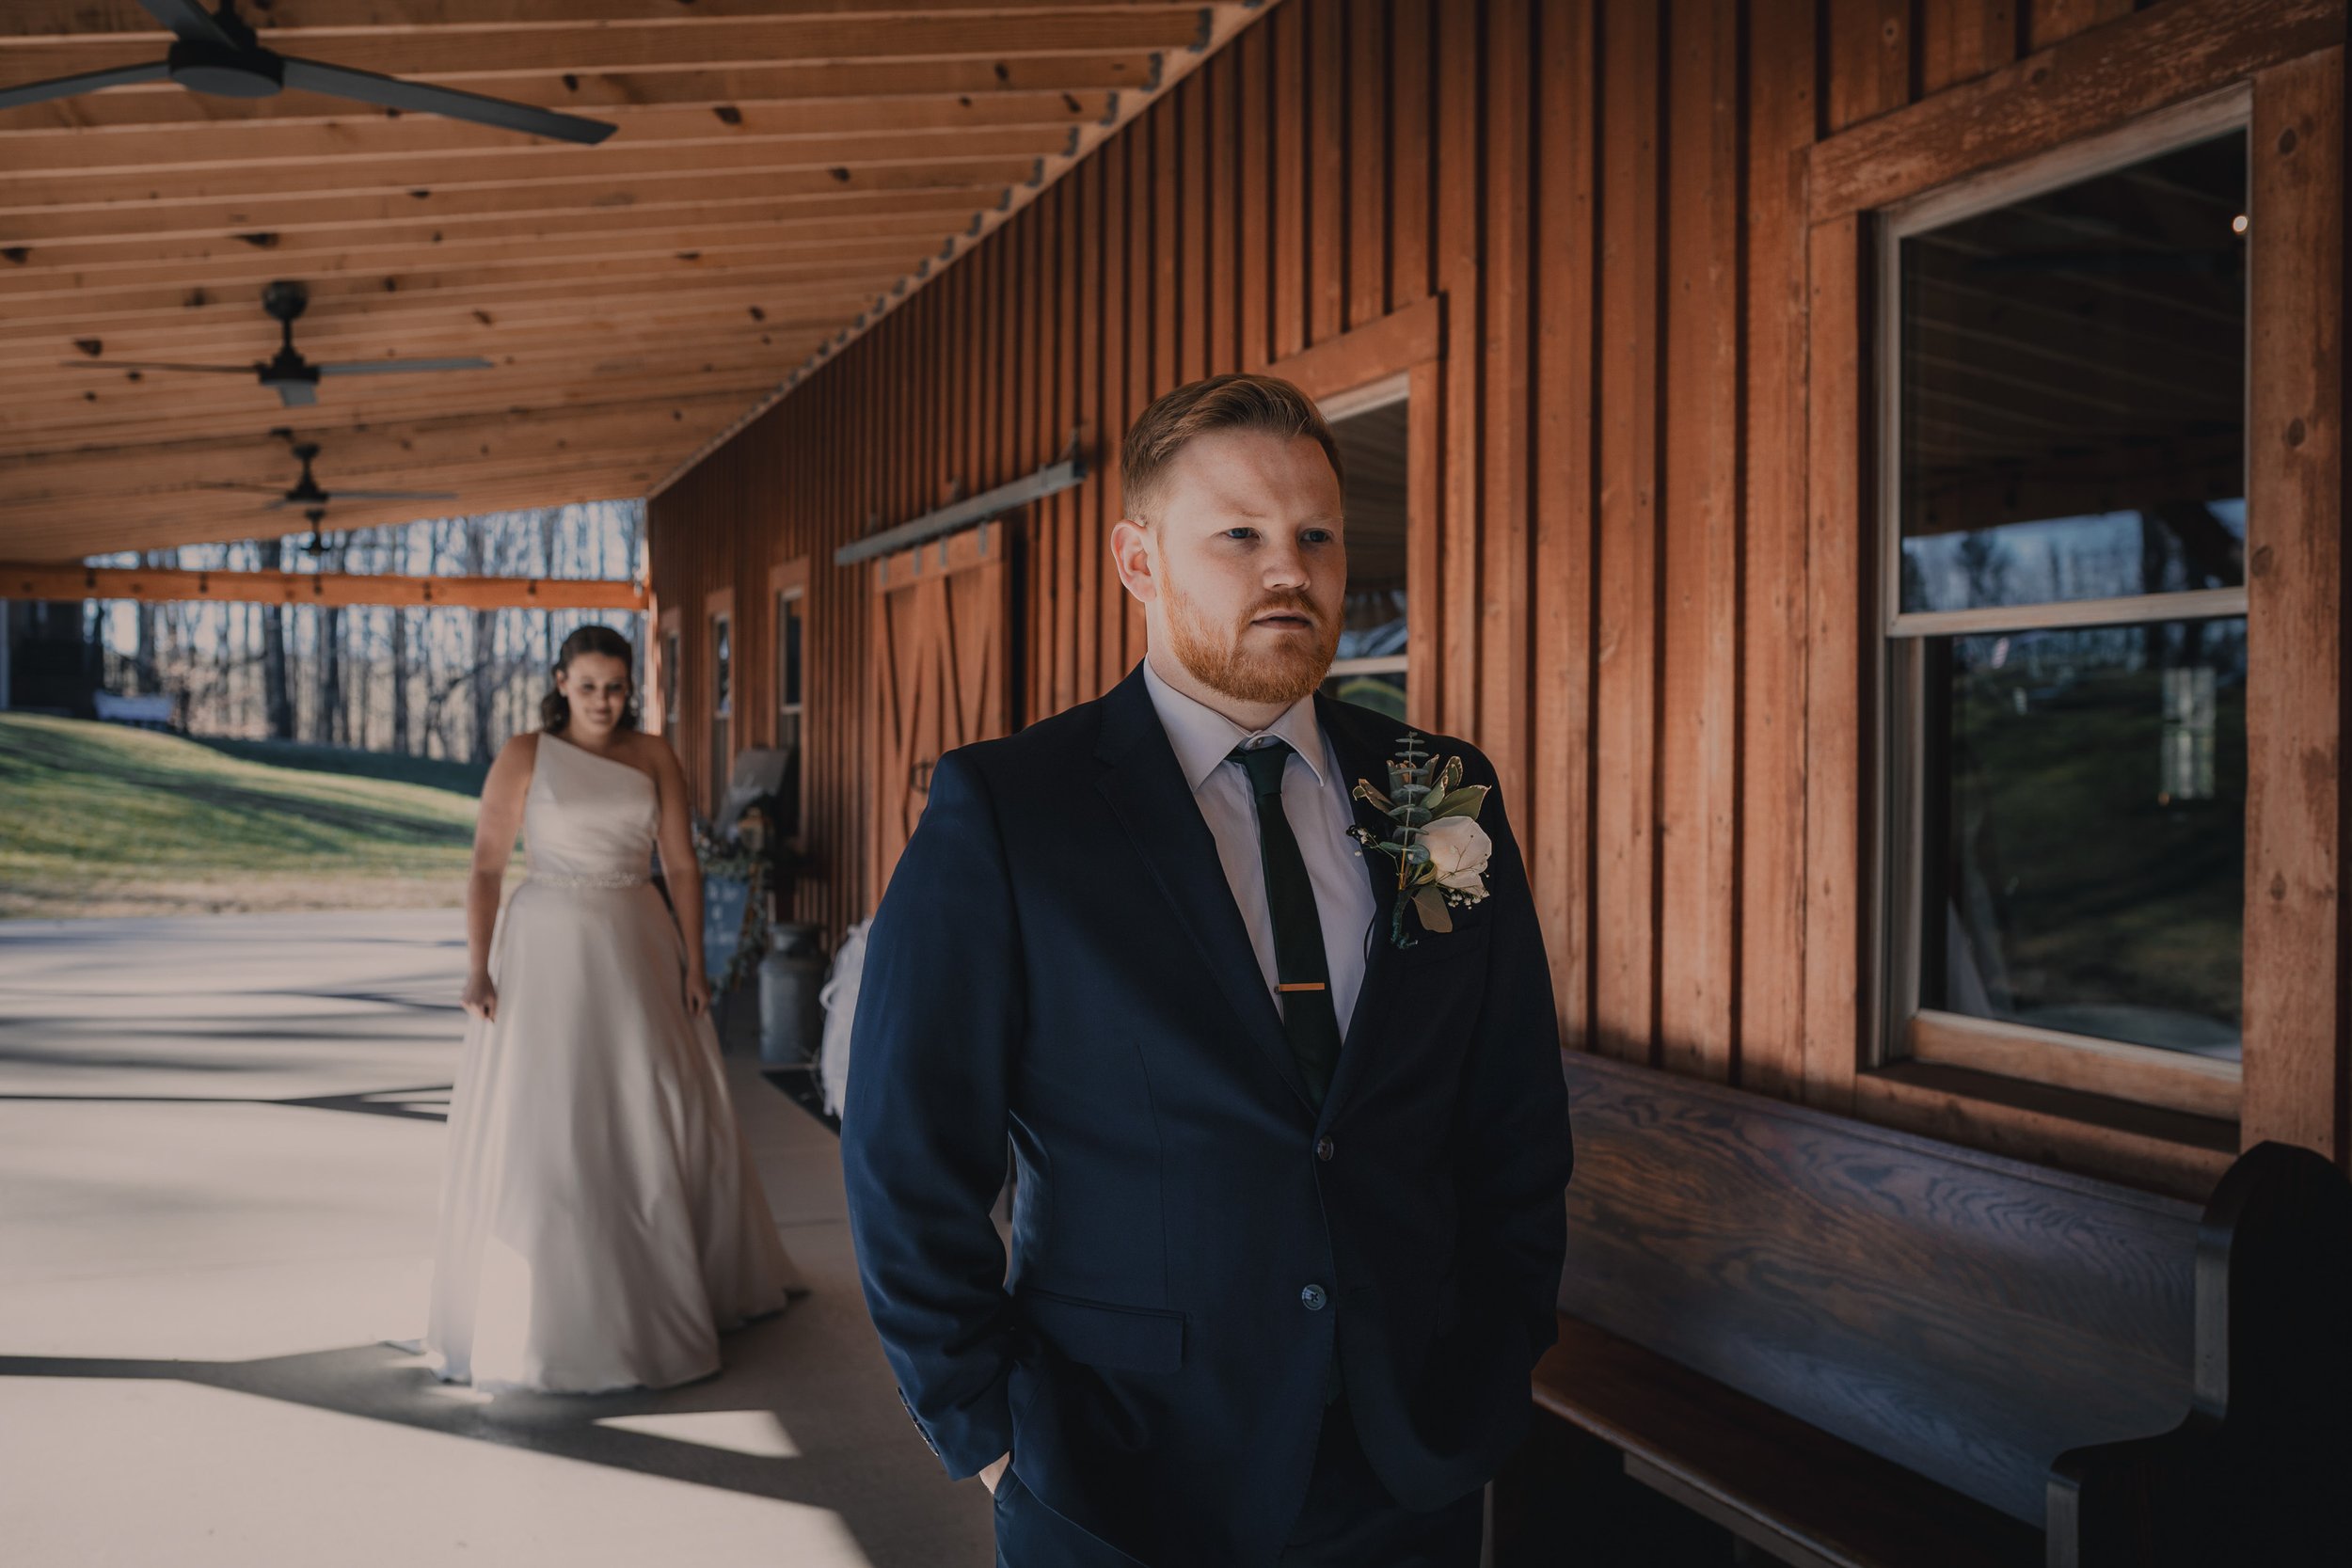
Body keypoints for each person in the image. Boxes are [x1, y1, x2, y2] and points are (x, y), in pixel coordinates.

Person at [841, 374, 1574, 1565]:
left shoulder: (1434, 790)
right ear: (1138, 560)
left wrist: (1493, 1358)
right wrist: (988, 1426)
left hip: (1404, 1462)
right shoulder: (1015, 809)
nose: (1289, 568)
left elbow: (1511, 1107)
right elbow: (905, 1151)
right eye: (1238, 533)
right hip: (1120, 1467)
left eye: (1316, 534)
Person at [422, 623, 804, 1394]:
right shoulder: (525, 755)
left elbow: (684, 866)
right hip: (545, 948)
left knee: (649, 1100)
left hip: (637, 938)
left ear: (633, 688)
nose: (604, 700)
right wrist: (477, 967)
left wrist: (700, 964)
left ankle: (677, 1275)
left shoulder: (654, 754)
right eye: (589, 685)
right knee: (552, 1111)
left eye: (617, 686)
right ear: (561, 681)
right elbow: (487, 866)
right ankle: (546, 1303)